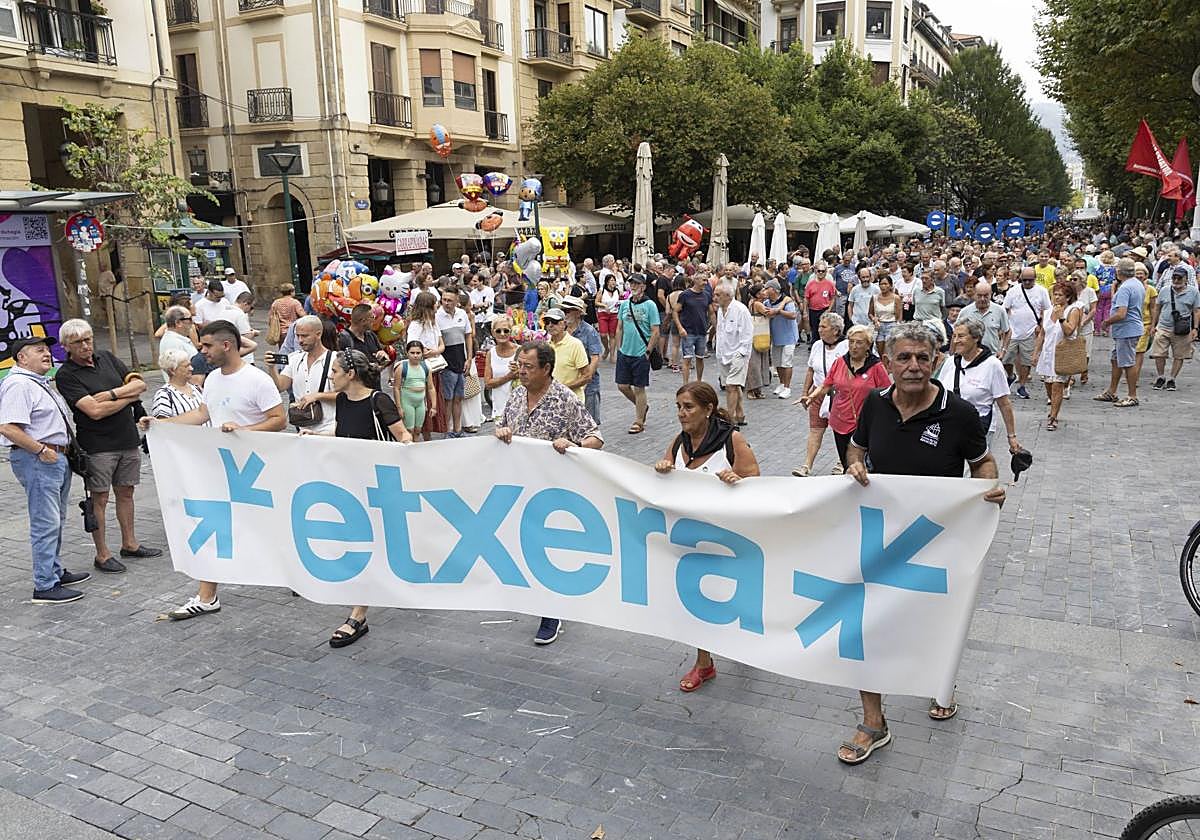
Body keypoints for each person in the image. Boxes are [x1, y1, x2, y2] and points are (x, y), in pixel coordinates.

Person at [839, 322, 1005, 765]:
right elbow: (856, 448)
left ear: (936, 361)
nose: (914, 366)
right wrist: (854, 466)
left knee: (934, 625)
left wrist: (986, 492)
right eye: (904, 358)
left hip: (937, 543)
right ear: (887, 362)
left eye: (922, 358)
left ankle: (940, 681)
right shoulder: (874, 405)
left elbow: (982, 461)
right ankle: (873, 722)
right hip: (879, 539)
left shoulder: (960, 413)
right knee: (865, 626)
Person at [141, 320, 286, 619]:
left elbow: (278, 419)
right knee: (216, 524)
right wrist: (160, 425)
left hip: (256, 470)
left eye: (206, 345)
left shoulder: (256, 379)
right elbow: (203, 413)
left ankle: (298, 574)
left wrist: (243, 430)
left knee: (276, 525)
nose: (200, 350)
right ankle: (207, 596)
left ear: (226, 345)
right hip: (222, 467)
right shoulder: (213, 380)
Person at [300, 349, 412, 648]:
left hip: (376, 487)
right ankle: (366, 606)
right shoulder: (343, 400)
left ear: (350, 375)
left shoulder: (379, 400)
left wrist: (402, 453)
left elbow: (402, 435)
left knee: (373, 544)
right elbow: (343, 431)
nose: (331, 375)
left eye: (335, 371)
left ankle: (358, 615)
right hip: (350, 486)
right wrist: (316, 439)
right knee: (368, 544)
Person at [495, 341, 603, 645]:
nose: (522, 372)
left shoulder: (564, 399)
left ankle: (551, 612)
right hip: (518, 486)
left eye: (528, 367)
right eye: (519, 365)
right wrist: (502, 433)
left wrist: (575, 446)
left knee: (547, 551)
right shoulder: (516, 395)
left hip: (553, 492)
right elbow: (504, 428)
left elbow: (595, 437)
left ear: (547, 368)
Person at [653, 382, 759, 692]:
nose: (682, 414)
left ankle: (745, 642)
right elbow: (664, 481)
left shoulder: (732, 440)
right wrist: (661, 470)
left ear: (708, 409)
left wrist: (737, 480)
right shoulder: (679, 442)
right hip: (692, 543)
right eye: (678, 407)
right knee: (697, 602)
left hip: (729, 542)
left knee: (731, 601)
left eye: (688, 407)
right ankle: (704, 663)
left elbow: (757, 483)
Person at [54, 319, 160, 574]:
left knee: (126, 492)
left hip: (126, 438)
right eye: (78, 342)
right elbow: (94, 411)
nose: (85, 345)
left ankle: (130, 543)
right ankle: (102, 554)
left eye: (88, 339)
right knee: (99, 499)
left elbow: (139, 384)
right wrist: (127, 396)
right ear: (66, 346)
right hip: (97, 445)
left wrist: (112, 395)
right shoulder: (66, 375)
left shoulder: (106, 357)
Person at [0, 336, 92, 603]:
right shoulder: (18, 385)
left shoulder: (36, 382)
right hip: (39, 459)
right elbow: (7, 427)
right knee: (46, 522)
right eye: (39, 350)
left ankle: (54, 570)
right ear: (21, 358)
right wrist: (42, 451)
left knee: (55, 519)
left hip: (53, 458)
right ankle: (45, 584)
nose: (47, 354)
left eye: (48, 349)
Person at [799, 324, 890, 474]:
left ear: (868, 345)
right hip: (840, 420)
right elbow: (826, 384)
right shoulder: (840, 362)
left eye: (859, 342)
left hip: (864, 424)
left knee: (861, 466)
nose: (854, 346)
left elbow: (887, 393)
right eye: (851, 341)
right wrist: (810, 396)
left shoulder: (876, 367)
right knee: (846, 463)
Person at [938, 321, 1021, 453]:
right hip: (950, 427)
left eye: (961, 336)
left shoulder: (993, 365)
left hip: (978, 428)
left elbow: (1004, 404)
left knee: (971, 471)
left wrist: (1012, 436)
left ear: (976, 338)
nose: (956, 341)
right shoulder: (950, 362)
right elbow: (939, 395)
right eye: (954, 336)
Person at [791, 312, 848, 477]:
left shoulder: (846, 346)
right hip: (817, 393)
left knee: (841, 432)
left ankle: (841, 462)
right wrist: (805, 393)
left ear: (836, 330)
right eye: (820, 326)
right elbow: (810, 369)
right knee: (816, 430)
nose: (819, 329)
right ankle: (806, 465)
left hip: (840, 395)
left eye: (824, 327)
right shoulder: (817, 345)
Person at [267, 315, 337, 434]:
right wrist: (271, 368)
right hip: (303, 428)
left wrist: (318, 396)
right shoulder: (294, 358)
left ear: (318, 334)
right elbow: (280, 386)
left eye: (304, 336)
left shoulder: (335, 360)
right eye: (297, 335)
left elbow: (345, 396)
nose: (300, 340)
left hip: (329, 429)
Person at [1032, 280, 1084, 431]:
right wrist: (1036, 352)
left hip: (1062, 354)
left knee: (1057, 386)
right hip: (1047, 353)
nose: (1056, 297)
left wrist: (1061, 317)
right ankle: (1052, 406)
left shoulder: (1072, 311)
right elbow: (1042, 333)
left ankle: (1053, 416)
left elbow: (1069, 331)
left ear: (1067, 297)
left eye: (1060, 295)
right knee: (1048, 384)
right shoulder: (1048, 311)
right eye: (1055, 294)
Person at [1095, 258, 1145, 407]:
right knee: (1116, 359)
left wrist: (1107, 322)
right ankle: (1112, 391)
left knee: (1128, 363)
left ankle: (1132, 395)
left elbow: (1121, 313)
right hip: (1129, 328)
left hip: (1126, 329)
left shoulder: (1125, 288)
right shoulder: (1137, 284)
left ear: (1118, 272)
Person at [614, 274, 659, 435]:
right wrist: (619, 347)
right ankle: (642, 406)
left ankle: (639, 421)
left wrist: (648, 351)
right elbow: (619, 327)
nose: (633, 286)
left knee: (639, 388)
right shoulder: (625, 305)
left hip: (641, 353)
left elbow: (655, 331)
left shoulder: (650, 305)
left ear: (643, 286)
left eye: (637, 284)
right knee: (622, 386)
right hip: (625, 352)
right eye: (631, 283)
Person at [1002, 268, 1050, 400]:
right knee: (1005, 359)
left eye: (1030, 280)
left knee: (1026, 361)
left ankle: (1022, 385)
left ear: (1035, 279)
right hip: (1012, 330)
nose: (1027, 282)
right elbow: (1005, 308)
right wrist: (1003, 327)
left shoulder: (1042, 291)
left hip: (1030, 330)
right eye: (1024, 280)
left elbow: (1046, 310)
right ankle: (1011, 376)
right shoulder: (1013, 291)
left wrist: (1041, 325)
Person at [405, 291, 446, 441]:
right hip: (421, 371)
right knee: (422, 404)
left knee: (432, 402)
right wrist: (423, 353)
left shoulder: (434, 323)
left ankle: (428, 437)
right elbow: (412, 346)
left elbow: (442, 345)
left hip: (434, 367)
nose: (437, 306)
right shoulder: (415, 325)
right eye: (435, 303)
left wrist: (435, 351)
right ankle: (419, 437)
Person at [1150, 266, 1200, 391]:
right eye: (1174, 277)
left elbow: (1196, 310)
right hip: (1163, 326)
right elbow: (1157, 308)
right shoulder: (1165, 290)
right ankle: (1161, 376)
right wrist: (1153, 325)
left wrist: (1195, 328)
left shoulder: (1193, 292)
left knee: (1179, 355)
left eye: (1179, 278)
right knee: (1159, 354)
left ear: (1186, 279)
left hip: (1182, 329)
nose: (1176, 280)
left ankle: (1172, 378)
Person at [713, 280, 753, 427]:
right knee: (733, 386)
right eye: (715, 294)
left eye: (718, 295)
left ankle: (729, 419)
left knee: (731, 386)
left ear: (728, 295)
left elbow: (747, 335)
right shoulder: (720, 310)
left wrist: (741, 354)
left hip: (738, 353)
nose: (715, 297)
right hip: (723, 353)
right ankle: (740, 414)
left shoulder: (741, 310)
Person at [436, 287, 473, 438]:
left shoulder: (462, 314)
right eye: (444, 300)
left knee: (459, 398)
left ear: (457, 301)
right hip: (446, 363)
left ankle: (458, 429)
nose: (446, 303)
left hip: (461, 360)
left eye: (450, 300)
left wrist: (469, 358)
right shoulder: (437, 316)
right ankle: (447, 430)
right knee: (448, 399)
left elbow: (468, 336)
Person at [562, 296, 602, 423]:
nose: (565, 313)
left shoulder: (589, 331)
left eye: (568, 310)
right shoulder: (561, 331)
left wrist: (585, 379)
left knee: (589, 424)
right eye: (564, 310)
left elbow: (595, 357)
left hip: (587, 386)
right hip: (566, 383)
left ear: (578, 313)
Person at [542, 308, 589, 401]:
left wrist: (562, 388)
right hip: (550, 400)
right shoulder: (545, 345)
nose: (550, 325)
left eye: (554, 322)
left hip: (571, 400)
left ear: (564, 324)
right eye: (547, 322)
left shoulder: (575, 344)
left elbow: (586, 376)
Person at [956, 280, 1010, 357]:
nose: (982, 299)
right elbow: (956, 333)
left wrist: (1003, 350)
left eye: (986, 296)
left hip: (991, 356)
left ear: (991, 294)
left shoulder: (999, 310)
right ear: (974, 294)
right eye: (979, 295)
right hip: (969, 357)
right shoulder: (965, 312)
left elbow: (1007, 331)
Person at [674, 271, 711, 385]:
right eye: (703, 280)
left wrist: (714, 326)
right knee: (687, 358)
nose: (705, 282)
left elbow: (711, 312)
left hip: (701, 331)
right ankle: (685, 383)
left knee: (700, 358)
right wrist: (680, 328)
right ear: (695, 280)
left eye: (706, 280)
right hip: (688, 331)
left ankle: (699, 381)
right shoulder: (685, 295)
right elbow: (675, 311)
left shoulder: (707, 295)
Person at [483, 314, 519, 426]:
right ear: (493, 333)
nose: (502, 334)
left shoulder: (520, 351)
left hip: (518, 406)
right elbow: (488, 383)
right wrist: (509, 376)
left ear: (510, 332)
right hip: (499, 407)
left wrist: (519, 373)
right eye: (498, 331)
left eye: (506, 330)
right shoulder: (491, 353)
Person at [766, 280, 799, 399]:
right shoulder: (767, 302)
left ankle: (787, 387)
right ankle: (781, 383)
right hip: (776, 337)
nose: (765, 290)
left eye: (767, 288)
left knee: (787, 362)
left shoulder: (787, 301)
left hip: (789, 337)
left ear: (773, 290)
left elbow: (793, 315)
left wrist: (779, 311)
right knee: (778, 363)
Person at [152, 348, 205, 421]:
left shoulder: (198, 389)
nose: (191, 368)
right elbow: (162, 426)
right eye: (186, 366)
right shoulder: (164, 395)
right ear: (172, 370)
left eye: (190, 365)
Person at [337, 303, 389, 367]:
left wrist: (384, 356)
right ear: (363, 321)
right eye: (372, 317)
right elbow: (342, 366)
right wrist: (368, 367)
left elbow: (381, 354)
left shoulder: (371, 335)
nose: (374, 320)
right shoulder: (344, 339)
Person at [868, 275, 902, 358]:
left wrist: (897, 329)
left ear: (890, 285)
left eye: (886, 284)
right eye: (881, 284)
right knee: (880, 353)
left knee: (887, 354)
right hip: (879, 327)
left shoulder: (896, 298)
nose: (883, 286)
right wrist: (874, 319)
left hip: (891, 326)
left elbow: (899, 316)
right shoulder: (875, 298)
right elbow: (870, 313)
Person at [804, 262, 836, 345]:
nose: (821, 273)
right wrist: (805, 311)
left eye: (823, 271)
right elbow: (806, 298)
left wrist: (828, 310)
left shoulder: (830, 284)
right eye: (819, 271)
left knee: (824, 329)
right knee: (814, 329)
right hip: (813, 310)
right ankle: (815, 345)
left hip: (824, 310)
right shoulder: (810, 284)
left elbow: (832, 298)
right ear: (815, 271)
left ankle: (824, 344)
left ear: (826, 272)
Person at [268, 283, 305, 348]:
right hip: (293, 330)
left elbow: (271, 317)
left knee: (283, 350)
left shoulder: (276, 303)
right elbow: (302, 315)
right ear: (292, 292)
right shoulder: (295, 302)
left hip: (281, 332)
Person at [597, 274, 622, 361]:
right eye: (611, 280)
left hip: (614, 314)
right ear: (607, 282)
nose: (613, 282)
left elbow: (619, 301)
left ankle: (612, 355)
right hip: (603, 314)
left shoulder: (617, 291)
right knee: (603, 335)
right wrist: (604, 305)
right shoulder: (602, 290)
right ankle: (606, 349)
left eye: (614, 280)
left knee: (612, 335)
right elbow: (596, 302)